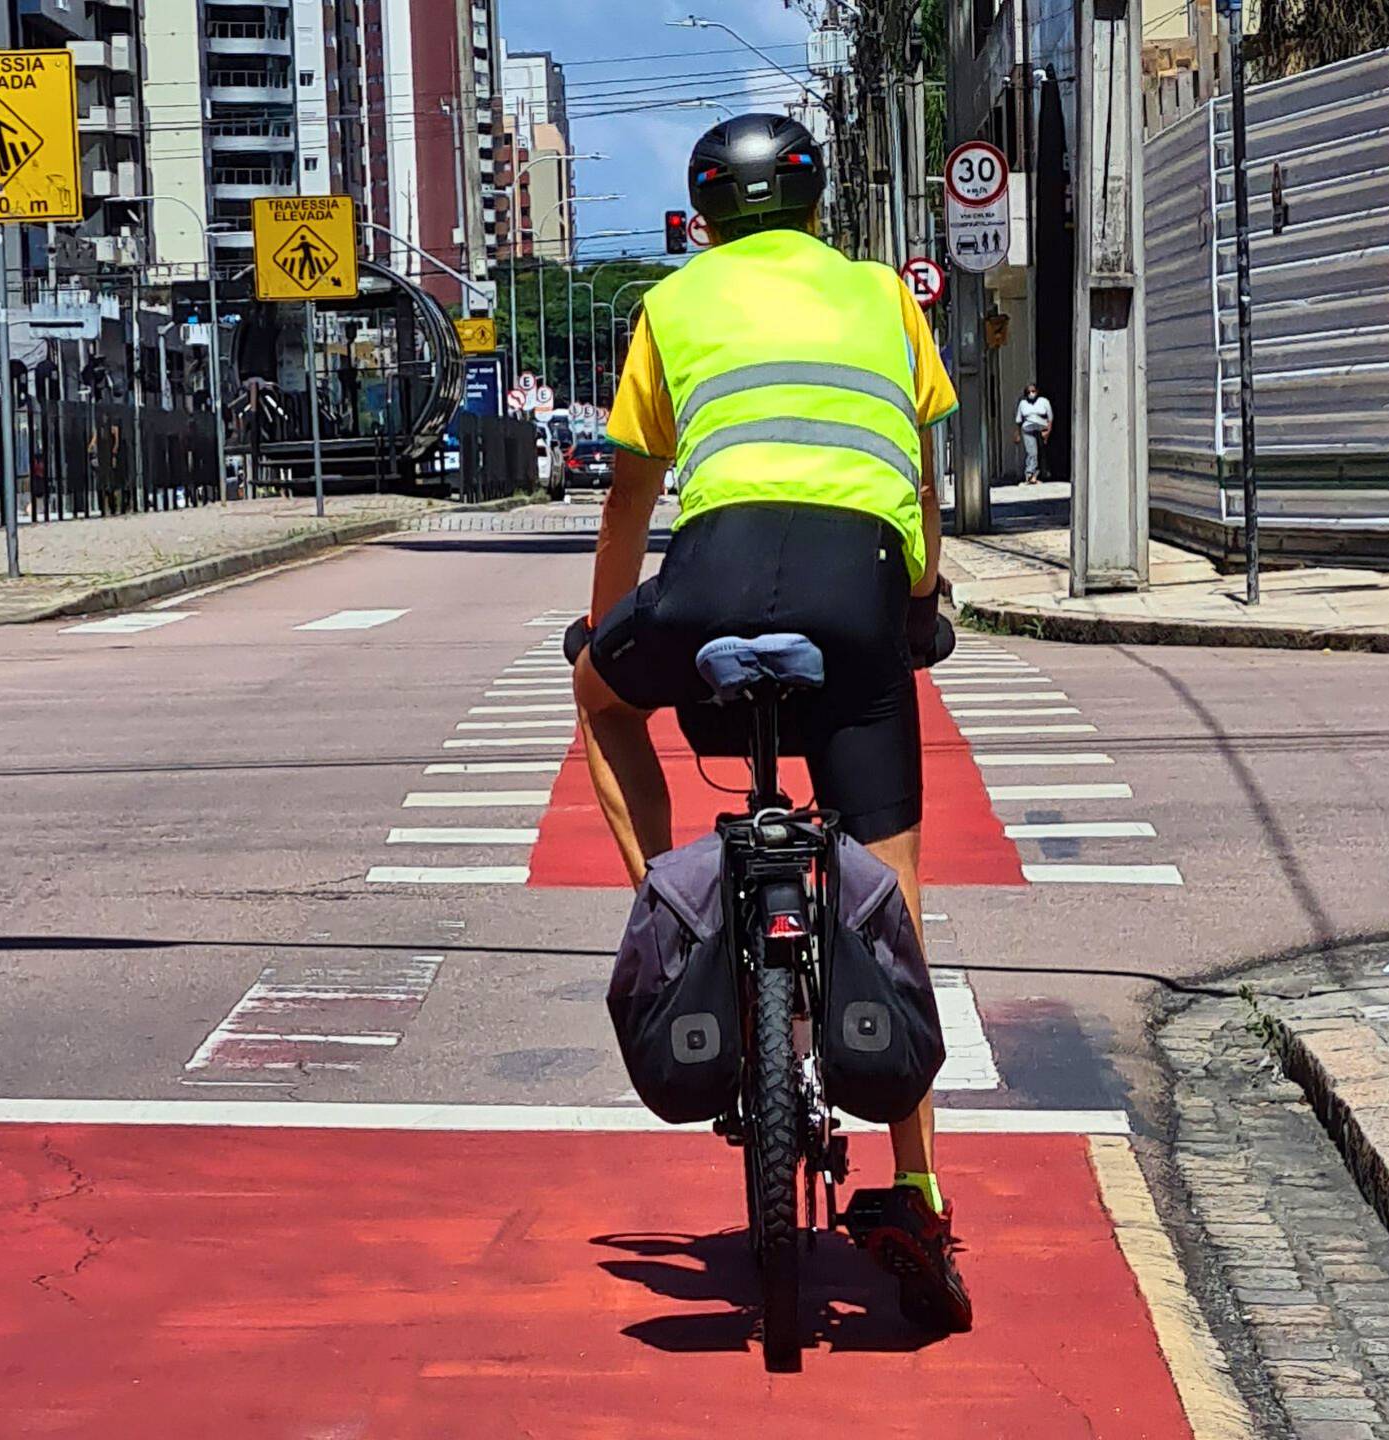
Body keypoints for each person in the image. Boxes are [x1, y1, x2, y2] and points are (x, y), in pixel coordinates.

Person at [570, 113, 971, 1329]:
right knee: (890, 901)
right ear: (817, 206)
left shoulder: (672, 305)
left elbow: (630, 495)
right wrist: (915, 604)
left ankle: (670, 912)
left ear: (700, 214)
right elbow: (916, 472)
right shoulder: (881, 297)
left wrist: (602, 637)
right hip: (859, 584)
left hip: (711, 580)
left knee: (600, 702)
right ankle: (915, 1189)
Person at [1014, 382, 1053, 484]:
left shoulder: (1044, 402)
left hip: (1041, 430)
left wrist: (1048, 432)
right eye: (1029, 392)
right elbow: (1019, 420)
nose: (1031, 394)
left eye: (1033, 391)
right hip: (1028, 430)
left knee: (1041, 453)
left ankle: (1040, 474)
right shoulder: (1023, 403)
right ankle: (1030, 474)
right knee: (1032, 452)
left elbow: (1050, 418)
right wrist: (1017, 434)